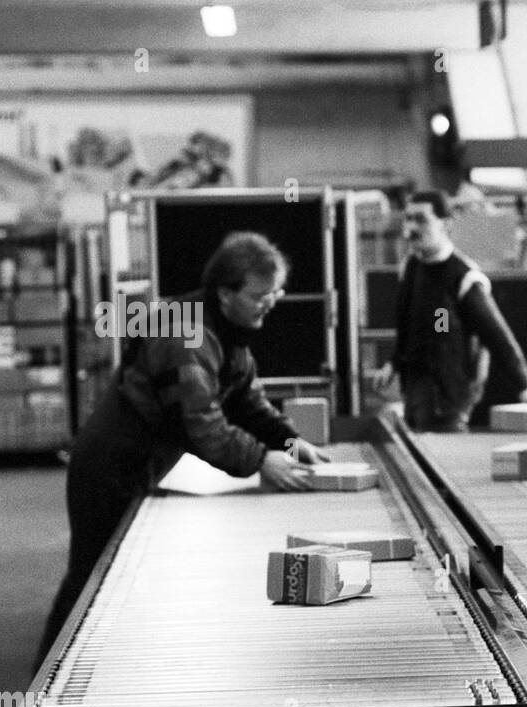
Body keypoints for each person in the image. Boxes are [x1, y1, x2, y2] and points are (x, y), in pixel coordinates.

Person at [36, 232, 328, 666]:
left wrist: (288, 440)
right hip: (111, 464)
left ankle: (106, 667)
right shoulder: (186, 333)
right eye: (261, 294)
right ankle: (50, 683)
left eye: (277, 293)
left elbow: (245, 400)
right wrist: (259, 460)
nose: (272, 302)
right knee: (94, 573)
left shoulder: (229, 331)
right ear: (226, 292)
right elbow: (202, 425)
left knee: (120, 573)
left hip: (143, 459)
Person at [372, 190, 527, 431]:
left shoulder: (463, 277)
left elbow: (497, 335)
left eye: (421, 219)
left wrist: (525, 386)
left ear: (446, 223)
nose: (412, 227)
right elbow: (406, 326)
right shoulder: (411, 267)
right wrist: (393, 363)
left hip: (448, 396)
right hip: (414, 389)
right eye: (408, 218)